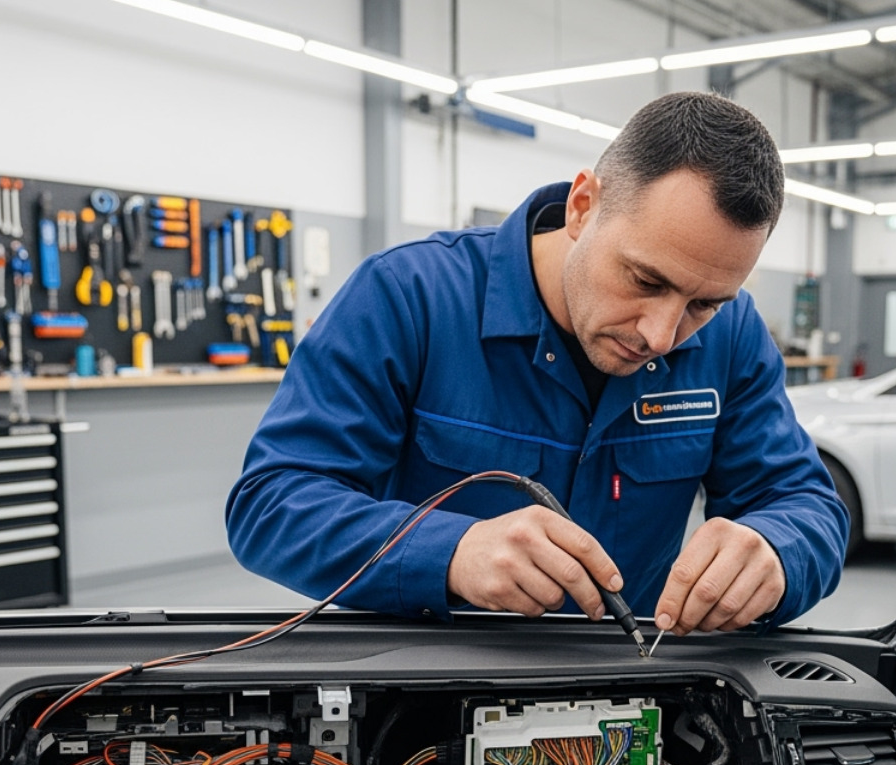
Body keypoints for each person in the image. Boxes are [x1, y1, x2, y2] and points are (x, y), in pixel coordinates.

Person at [226, 91, 846, 637]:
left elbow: (805, 504)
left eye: (702, 304)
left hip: (635, 715)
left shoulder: (734, 335)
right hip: (424, 706)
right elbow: (272, 503)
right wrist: (451, 551)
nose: (662, 335)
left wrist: (775, 550)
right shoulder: (409, 296)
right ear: (582, 206)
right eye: (645, 279)